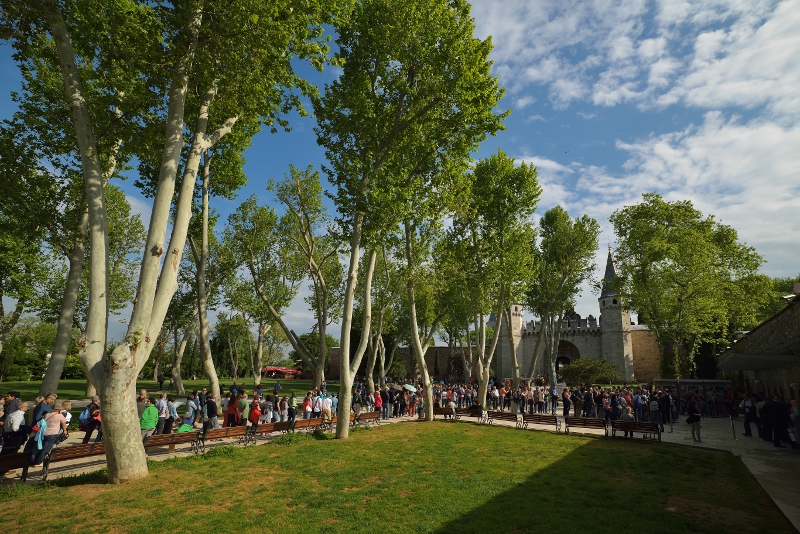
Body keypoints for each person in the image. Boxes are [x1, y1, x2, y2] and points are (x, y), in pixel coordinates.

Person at [0, 401, 29, 473]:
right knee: (10, 452)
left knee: (7, 452)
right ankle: (5, 468)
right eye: (26, 407)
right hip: (14, 436)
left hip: (9, 435)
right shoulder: (18, 416)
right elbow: (15, 428)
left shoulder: (13, 414)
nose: (27, 408)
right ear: (22, 408)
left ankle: (6, 467)